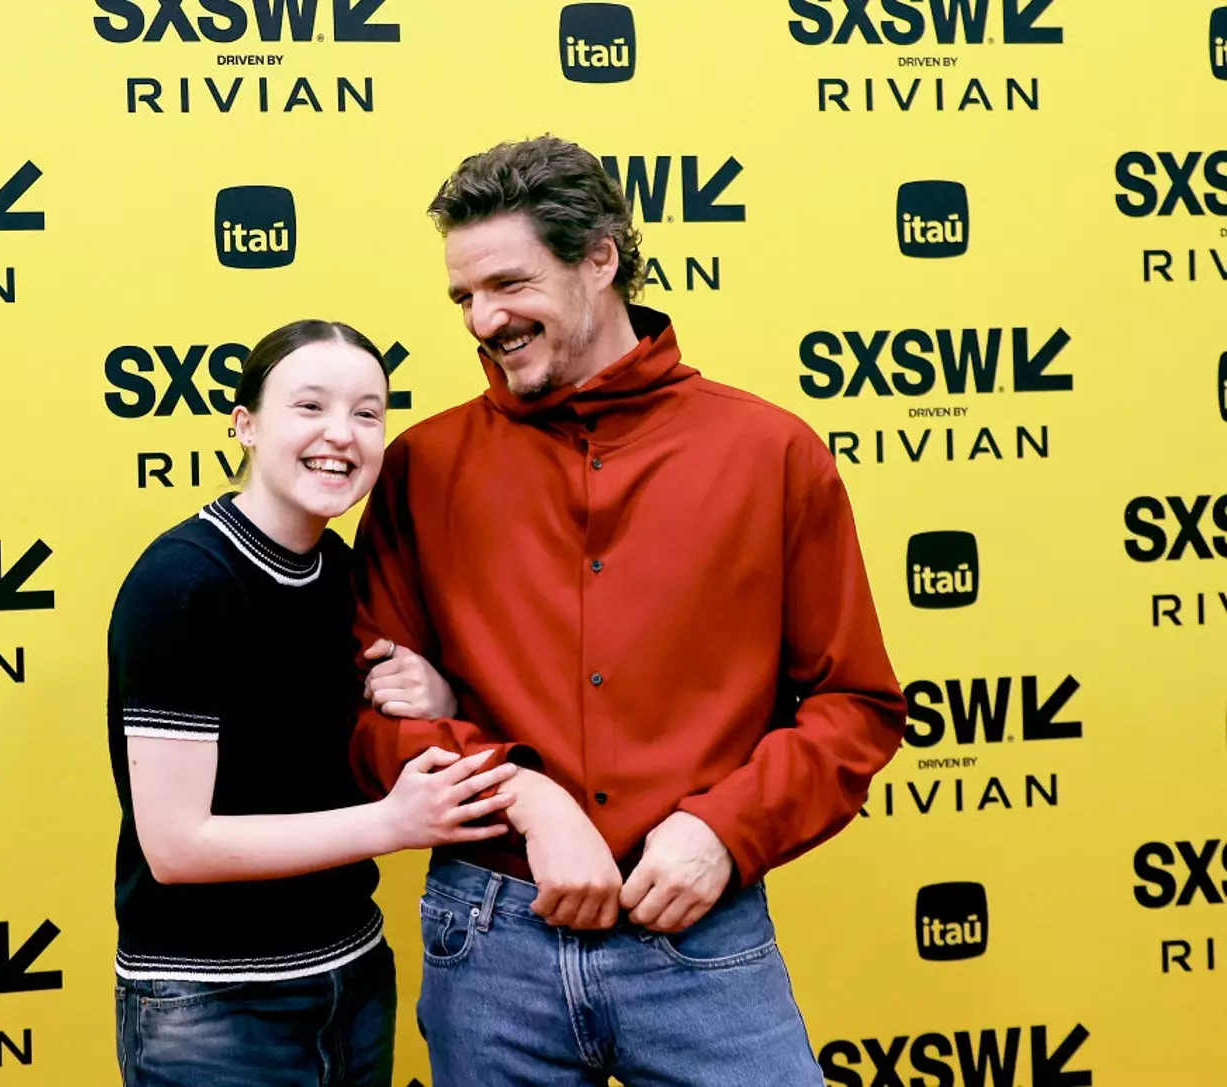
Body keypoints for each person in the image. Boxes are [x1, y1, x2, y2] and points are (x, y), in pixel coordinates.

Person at [350, 136, 909, 1086]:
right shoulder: (421, 466)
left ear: (599, 259)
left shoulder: (773, 453)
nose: (483, 320)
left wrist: (725, 831)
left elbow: (856, 705)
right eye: (463, 298)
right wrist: (524, 795)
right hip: (489, 939)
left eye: (507, 285)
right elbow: (370, 716)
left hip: (699, 927)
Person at [105, 319, 514, 1087]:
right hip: (215, 1005)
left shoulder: (343, 573)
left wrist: (440, 692)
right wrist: (393, 823)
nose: (342, 434)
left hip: (353, 979)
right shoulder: (184, 584)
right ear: (245, 425)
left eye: (367, 413)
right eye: (309, 406)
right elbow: (177, 845)